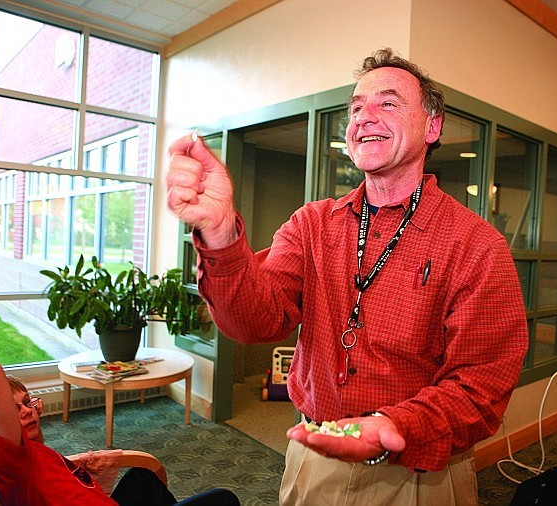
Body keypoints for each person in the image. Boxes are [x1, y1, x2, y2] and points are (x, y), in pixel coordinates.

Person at [166, 47, 529, 505]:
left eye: (388, 103)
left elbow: (481, 384)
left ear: (432, 126)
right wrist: (219, 233)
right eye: (357, 107)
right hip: (315, 456)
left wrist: (396, 426)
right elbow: (253, 322)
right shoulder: (311, 224)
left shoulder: (477, 246)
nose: (364, 117)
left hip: (420, 470)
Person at [0, 358, 240, 506]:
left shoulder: (28, 453)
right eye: (12, 409)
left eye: (28, 402)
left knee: (142, 478)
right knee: (223, 499)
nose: (28, 411)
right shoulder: (5, 459)